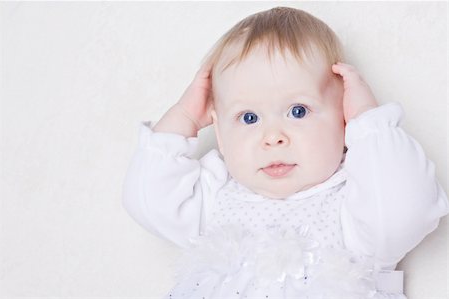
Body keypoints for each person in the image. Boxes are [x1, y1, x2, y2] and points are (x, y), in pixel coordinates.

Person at [122, 7, 448, 299]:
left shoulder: (356, 203)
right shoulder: (215, 197)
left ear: (343, 117)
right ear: (220, 134)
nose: (273, 137)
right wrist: (185, 117)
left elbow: (407, 208)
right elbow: (148, 199)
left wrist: (370, 125)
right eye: (249, 118)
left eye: (298, 111)